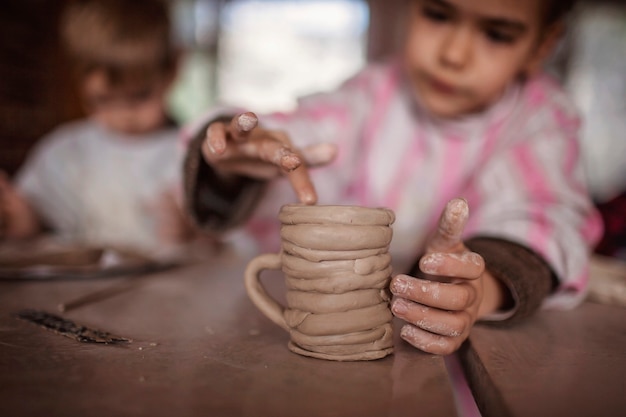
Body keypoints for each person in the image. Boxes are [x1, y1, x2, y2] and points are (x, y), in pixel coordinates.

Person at [182, 0, 602, 354]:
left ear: (541, 46)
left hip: (457, 360)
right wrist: (244, 151)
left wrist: (478, 288)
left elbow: (544, 214)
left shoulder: (540, 118)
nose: (454, 54)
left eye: (497, 34)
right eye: (439, 15)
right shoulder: (372, 94)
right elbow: (308, 133)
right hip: (332, 342)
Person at [0, 0, 195, 257]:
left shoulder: (190, 155)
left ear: (174, 69)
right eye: (103, 100)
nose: (123, 115)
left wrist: (193, 231)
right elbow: (37, 224)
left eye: (139, 96)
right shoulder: (63, 152)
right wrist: (19, 220)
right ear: (77, 82)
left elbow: (232, 241)